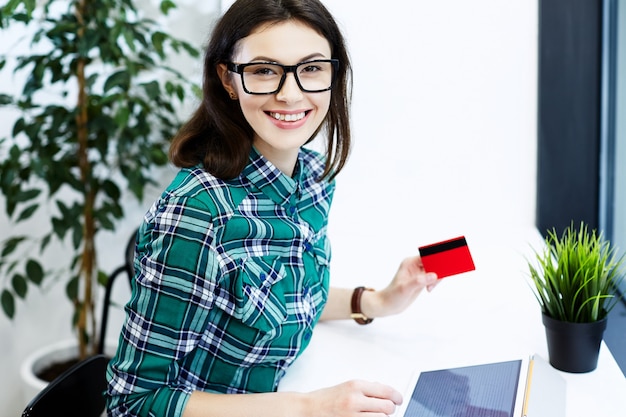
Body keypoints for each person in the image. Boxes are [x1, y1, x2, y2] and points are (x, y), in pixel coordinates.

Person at [106, 1, 439, 416]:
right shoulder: (197, 215)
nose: (290, 93)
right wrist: (306, 408)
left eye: (312, 68)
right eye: (264, 70)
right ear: (228, 79)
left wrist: (375, 302)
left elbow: (287, 299)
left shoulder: (313, 178)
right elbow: (133, 402)